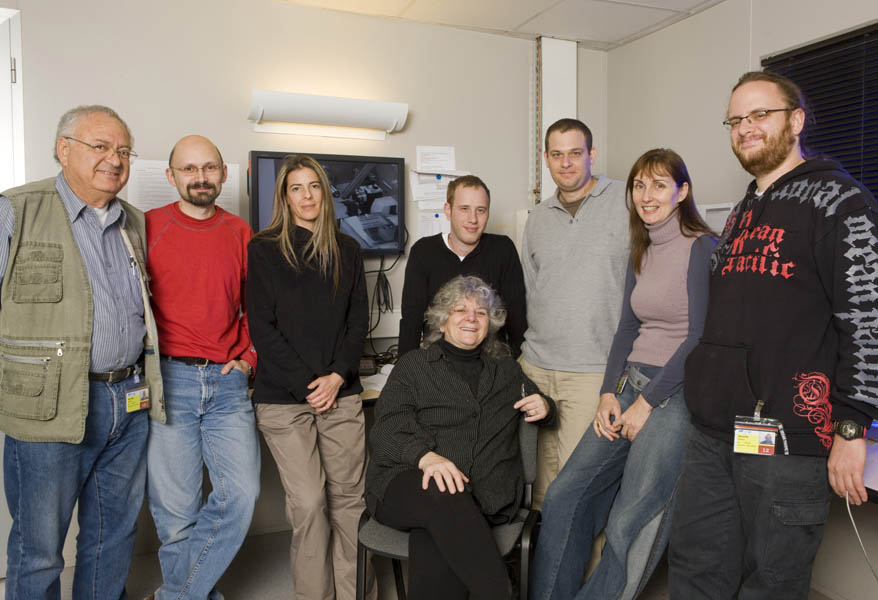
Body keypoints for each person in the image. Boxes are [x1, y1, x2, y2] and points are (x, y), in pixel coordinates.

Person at [669, 71, 878, 598]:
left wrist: (851, 427)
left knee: (772, 584)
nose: (746, 128)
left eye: (760, 114)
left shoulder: (841, 201)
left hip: (786, 438)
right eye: (736, 120)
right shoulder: (742, 212)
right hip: (714, 430)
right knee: (695, 569)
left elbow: (867, 319)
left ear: (796, 120)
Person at [532, 148, 716, 600]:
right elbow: (628, 327)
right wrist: (608, 394)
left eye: (659, 185)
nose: (647, 195)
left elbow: (700, 337)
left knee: (630, 518)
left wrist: (647, 402)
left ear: (682, 192)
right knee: (564, 495)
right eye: (639, 185)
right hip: (629, 383)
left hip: (673, 394)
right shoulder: (642, 247)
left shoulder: (701, 246)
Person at [0, 105, 165, 598]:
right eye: (100, 146)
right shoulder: (16, 210)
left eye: (124, 151)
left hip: (128, 400)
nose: (114, 159)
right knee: (39, 549)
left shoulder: (135, 223)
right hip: (49, 408)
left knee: (112, 535)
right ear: (63, 149)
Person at [367, 275, 557, 600]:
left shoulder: (507, 372)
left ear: (490, 323)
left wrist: (546, 406)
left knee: (436, 540)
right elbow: (385, 427)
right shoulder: (413, 366)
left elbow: (539, 403)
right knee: (443, 491)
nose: (471, 318)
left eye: (481, 312)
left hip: (482, 497)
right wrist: (426, 458)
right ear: (442, 321)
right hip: (405, 484)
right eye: (460, 310)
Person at [246, 154, 374, 600]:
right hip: (283, 400)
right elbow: (262, 328)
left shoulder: (348, 250)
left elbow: (358, 322)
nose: (306, 196)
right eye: (296, 188)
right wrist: (309, 385)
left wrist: (337, 376)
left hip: (341, 392)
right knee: (310, 504)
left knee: (349, 504)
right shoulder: (263, 250)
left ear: (325, 193)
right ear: (284, 197)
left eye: (314, 186)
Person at [145, 135, 261, 599]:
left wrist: (249, 357)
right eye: (189, 169)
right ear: (170, 176)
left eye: (209, 168)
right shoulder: (148, 226)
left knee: (241, 495)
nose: (200, 177)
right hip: (169, 380)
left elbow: (258, 308)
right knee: (176, 515)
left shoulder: (240, 232)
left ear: (224, 174)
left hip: (226, 383)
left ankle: (173, 596)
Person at [520, 117, 629, 506]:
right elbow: (531, 289)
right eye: (557, 154)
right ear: (546, 159)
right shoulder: (537, 218)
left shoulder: (627, 200)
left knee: (579, 493)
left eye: (575, 153)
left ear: (591, 154)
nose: (565, 163)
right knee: (539, 491)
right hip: (536, 368)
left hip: (593, 372)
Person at [398, 175, 526, 356]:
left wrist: (518, 367)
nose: (473, 219)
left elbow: (517, 320)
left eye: (481, 210)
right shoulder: (423, 252)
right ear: (448, 210)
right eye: (464, 209)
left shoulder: (503, 250)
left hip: (492, 363)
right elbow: (411, 321)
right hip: (437, 364)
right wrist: (404, 369)